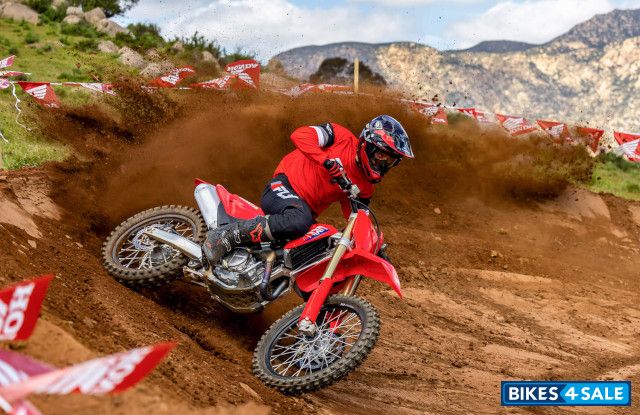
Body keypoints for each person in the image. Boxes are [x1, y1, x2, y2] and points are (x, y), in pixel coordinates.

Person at [203, 114, 414, 265]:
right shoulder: (339, 136)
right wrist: (326, 161)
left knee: (320, 251)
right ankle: (225, 236)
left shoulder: (365, 187)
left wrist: (376, 249)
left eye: (391, 160)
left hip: (303, 213)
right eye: (381, 155)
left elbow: (359, 221)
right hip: (283, 187)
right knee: (299, 219)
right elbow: (300, 135)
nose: (384, 162)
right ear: (367, 144)